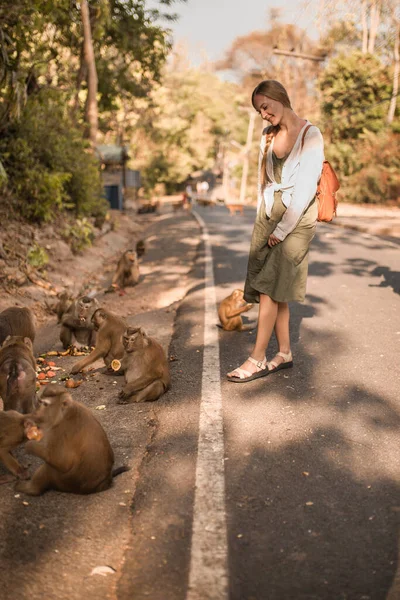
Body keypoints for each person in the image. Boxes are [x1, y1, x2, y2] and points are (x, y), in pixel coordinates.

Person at [227, 80, 324, 383]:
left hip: (296, 218)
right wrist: (264, 215)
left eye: (265, 106)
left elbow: (307, 188)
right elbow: (266, 181)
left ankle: (256, 359)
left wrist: (282, 229)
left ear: (280, 97)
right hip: (269, 214)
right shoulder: (267, 135)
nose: (263, 114)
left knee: (269, 287)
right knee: (274, 287)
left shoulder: (311, 135)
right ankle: (284, 352)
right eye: (259, 110)